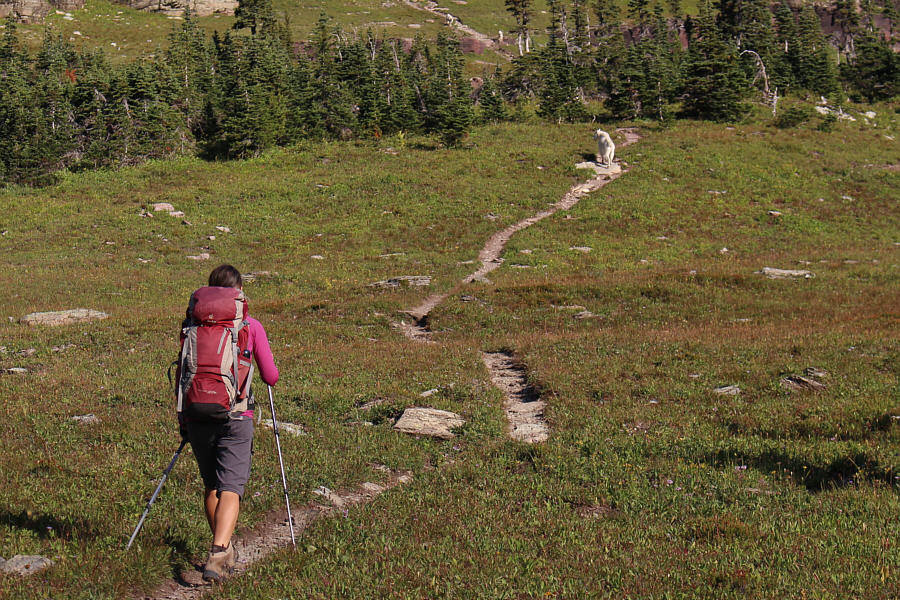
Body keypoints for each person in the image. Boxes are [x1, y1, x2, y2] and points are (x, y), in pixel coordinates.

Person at [177, 264, 279, 582]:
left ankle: (223, 548)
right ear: (238, 294)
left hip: (196, 414)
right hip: (237, 415)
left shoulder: (190, 327)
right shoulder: (251, 326)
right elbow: (271, 376)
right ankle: (219, 551)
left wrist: (182, 417)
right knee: (231, 487)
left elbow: (182, 373)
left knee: (212, 486)